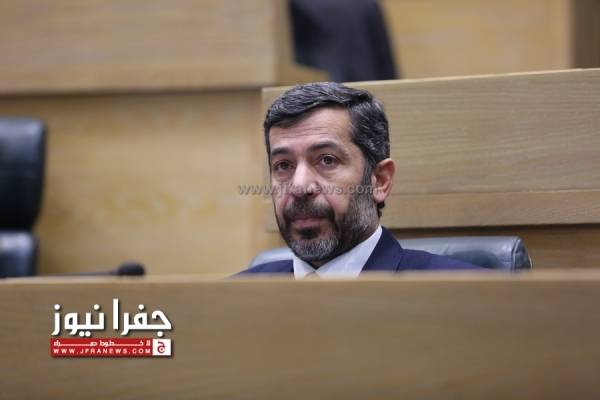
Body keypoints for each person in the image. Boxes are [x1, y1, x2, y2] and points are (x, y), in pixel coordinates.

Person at [238, 82, 479, 278]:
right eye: (283, 165)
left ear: (379, 180)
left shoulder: (464, 295)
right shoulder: (235, 299)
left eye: (327, 160)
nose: (299, 186)